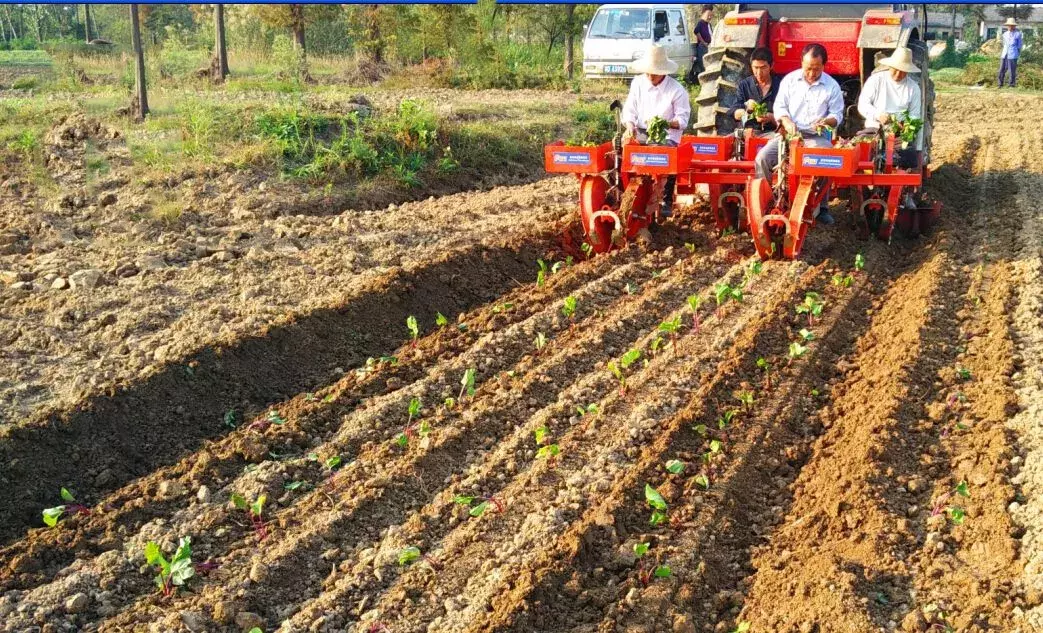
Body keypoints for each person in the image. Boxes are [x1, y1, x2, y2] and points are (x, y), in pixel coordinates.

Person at [754, 43, 844, 225]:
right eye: (808, 68)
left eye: (816, 69)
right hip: (788, 134)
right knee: (762, 158)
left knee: (828, 158)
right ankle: (767, 201)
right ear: (801, 63)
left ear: (823, 66)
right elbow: (779, 107)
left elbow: (837, 114)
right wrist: (786, 121)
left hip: (814, 136)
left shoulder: (831, 86)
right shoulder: (789, 80)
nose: (811, 73)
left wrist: (827, 121)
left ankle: (822, 207)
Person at [622, 43, 692, 219]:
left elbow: (683, 120)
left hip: (666, 135)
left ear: (664, 71)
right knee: (622, 151)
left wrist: (665, 123)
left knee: (664, 155)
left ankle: (665, 199)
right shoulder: (638, 83)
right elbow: (629, 110)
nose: (650, 75)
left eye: (654, 72)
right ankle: (622, 191)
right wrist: (630, 125)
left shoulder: (677, 90)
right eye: (648, 71)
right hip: (640, 130)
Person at [857, 46, 922, 169]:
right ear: (890, 66)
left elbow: (914, 116)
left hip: (898, 132)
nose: (898, 74)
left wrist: (906, 135)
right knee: (859, 152)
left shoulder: (913, 88)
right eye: (895, 69)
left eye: (902, 71)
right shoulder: (876, 80)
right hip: (874, 128)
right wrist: (878, 115)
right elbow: (863, 104)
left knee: (909, 158)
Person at [728, 47, 781, 134]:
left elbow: (788, 118)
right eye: (755, 68)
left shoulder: (780, 86)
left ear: (771, 66)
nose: (759, 73)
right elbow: (735, 112)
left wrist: (771, 117)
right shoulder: (744, 85)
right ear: (751, 66)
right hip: (748, 131)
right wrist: (747, 111)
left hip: (772, 133)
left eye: (763, 68)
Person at [999, 17, 1023, 88]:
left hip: (1013, 54)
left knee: (1012, 70)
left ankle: (1011, 84)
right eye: (1008, 25)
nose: (1009, 26)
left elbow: (1019, 46)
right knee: (1001, 69)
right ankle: (1000, 84)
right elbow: (1004, 44)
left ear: (1014, 26)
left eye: (1011, 25)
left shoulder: (1018, 34)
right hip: (1004, 54)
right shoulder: (1005, 34)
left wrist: (1017, 54)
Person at [693, 5, 713, 78]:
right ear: (703, 14)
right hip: (703, 47)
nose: (710, 17)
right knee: (703, 66)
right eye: (708, 15)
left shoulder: (708, 24)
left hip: (709, 46)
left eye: (711, 15)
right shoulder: (701, 23)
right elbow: (696, 31)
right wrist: (703, 42)